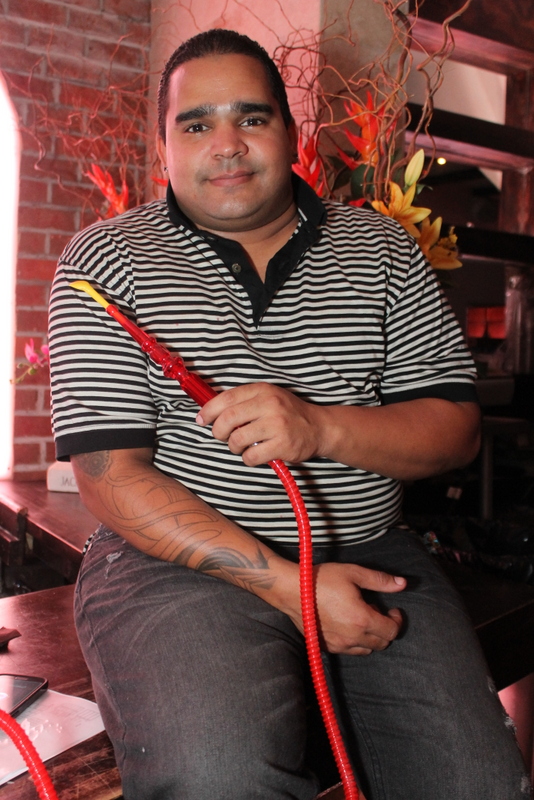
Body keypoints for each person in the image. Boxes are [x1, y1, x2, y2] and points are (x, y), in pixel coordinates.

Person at [48, 28, 530, 800]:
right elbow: (108, 477)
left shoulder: (384, 250)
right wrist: (292, 589)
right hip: (172, 564)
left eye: (252, 117)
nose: (226, 145)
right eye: (196, 124)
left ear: (290, 130)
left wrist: (320, 426)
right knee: (218, 776)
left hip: (373, 550)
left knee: (478, 787)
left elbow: (455, 432)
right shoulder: (105, 261)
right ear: (162, 146)